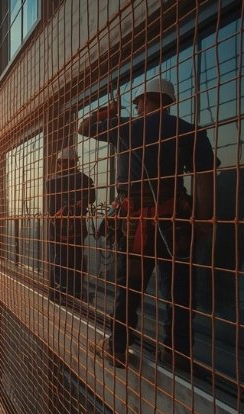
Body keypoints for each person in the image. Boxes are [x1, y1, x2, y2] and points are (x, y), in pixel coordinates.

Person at [77, 77, 216, 369]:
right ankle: (178, 353)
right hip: (173, 223)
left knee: (129, 286)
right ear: (168, 102)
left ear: (142, 102)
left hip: (134, 225)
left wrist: (108, 111)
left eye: (138, 102)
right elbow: (204, 178)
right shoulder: (189, 132)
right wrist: (203, 222)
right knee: (179, 291)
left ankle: (117, 347)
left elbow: (83, 127)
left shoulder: (126, 127)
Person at [47, 147, 95, 301]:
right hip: (75, 226)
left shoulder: (52, 182)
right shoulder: (85, 180)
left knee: (59, 258)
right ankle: (72, 291)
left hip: (59, 227)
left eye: (63, 163)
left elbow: (51, 209)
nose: (63, 165)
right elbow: (91, 198)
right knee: (74, 258)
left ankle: (59, 292)